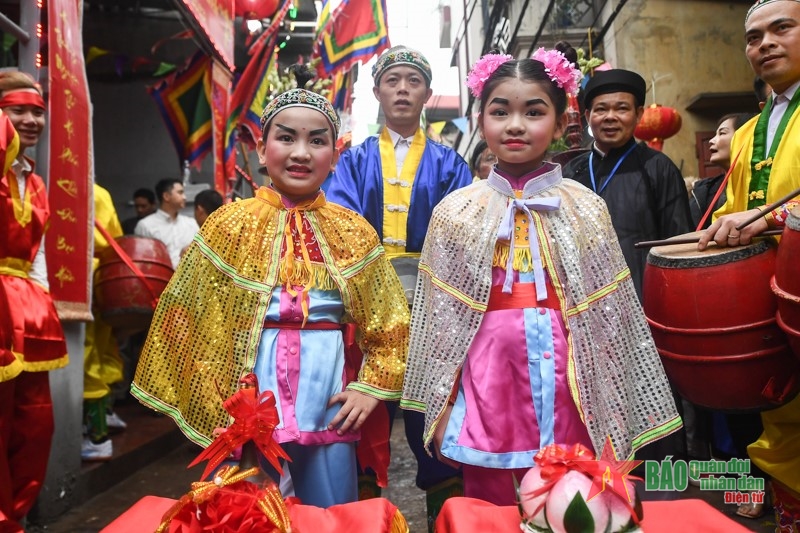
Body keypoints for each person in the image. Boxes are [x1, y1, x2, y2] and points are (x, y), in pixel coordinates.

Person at [400, 50, 681, 506]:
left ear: (560, 119)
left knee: (577, 496)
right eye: (500, 111)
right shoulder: (454, 212)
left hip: (574, 379)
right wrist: (445, 398)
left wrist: (612, 389)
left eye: (533, 111)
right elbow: (440, 323)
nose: (515, 125)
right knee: (493, 502)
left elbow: (613, 314)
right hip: (487, 377)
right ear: (481, 118)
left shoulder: (585, 205)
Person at [130, 65, 410, 508]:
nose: (301, 152)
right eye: (286, 138)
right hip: (248, 412)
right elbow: (189, 321)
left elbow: (392, 325)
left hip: (329, 410)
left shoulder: (354, 232)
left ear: (334, 156)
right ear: (261, 149)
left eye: (317, 140)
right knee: (248, 513)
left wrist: (369, 387)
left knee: (330, 514)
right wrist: (219, 397)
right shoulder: (228, 225)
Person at [325, 45, 473, 526]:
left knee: (435, 418)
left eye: (413, 81)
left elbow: (464, 231)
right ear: (377, 92)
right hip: (366, 310)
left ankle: (447, 519)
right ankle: (366, 520)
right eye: (394, 81)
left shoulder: (452, 164)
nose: (403, 89)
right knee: (364, 421)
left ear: (428, 93)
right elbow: (340, 222)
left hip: (434, 308)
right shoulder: (353, 160)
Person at [698, 0, 800, 526]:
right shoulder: (747, 131)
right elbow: (739, 208)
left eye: (782, 28)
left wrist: (772, 220)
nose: (765, 43)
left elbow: (770, 215)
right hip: (771, 304)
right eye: (754, 36)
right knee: (779, 419)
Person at [0, 71, 68, 531]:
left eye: (38, 112)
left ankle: (15, 517)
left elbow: (38, 256)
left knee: (34, 427)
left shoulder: (37, 183)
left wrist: (42, 302)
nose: (30, 120)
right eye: (17, 110)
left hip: (29, 313)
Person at [562, 68, 693, 300]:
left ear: (639, 114)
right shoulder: (572, 172)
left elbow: (679, 240)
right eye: (601, 109)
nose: (610, 116)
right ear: (587, 115)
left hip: (645, 296)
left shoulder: (657, 167)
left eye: (622, 108)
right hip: (584, 300)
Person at [81, 184, 128, 462]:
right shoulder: (101, 192)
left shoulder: (68, 187)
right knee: (104, 347)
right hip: (105, 281)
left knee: (88, 355)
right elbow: (117, 240)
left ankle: (97, 438)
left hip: (81, 278)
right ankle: (107, 415)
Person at [691, 113, 755, 229]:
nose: (711, 141)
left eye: (722, 133)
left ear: (744, 137)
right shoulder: (704, 191)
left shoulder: (760, 185)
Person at [134, 178, 198, 269]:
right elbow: (141, 261)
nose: (185, 197)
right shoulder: (145, 226)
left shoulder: (191, 224)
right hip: (160, 280)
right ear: (166, 196)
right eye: (180, 193)